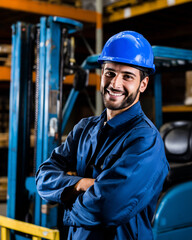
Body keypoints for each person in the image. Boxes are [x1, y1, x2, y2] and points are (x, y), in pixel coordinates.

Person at [36, 31, 169, 240]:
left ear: (142, 85)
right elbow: (43, 176)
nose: (115, 84)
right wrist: (80, 184)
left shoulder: (145, 141)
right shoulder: (84, 128)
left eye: (127, 76)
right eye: (110, 73)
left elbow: (106, 208)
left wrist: (65, 200)